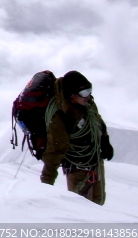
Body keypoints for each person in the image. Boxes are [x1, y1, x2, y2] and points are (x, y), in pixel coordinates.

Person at [40, 71, 113, 205]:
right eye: (84, 93)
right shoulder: (60, 116)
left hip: (95, 163)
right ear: (72, 96)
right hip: (77, 169)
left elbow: (97, 121)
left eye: (89, 90)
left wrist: (104, 140)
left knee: (98, 204)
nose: (88, 95)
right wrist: (46, 181)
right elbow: (56, 148)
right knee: (81, 208)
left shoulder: (87, 103)